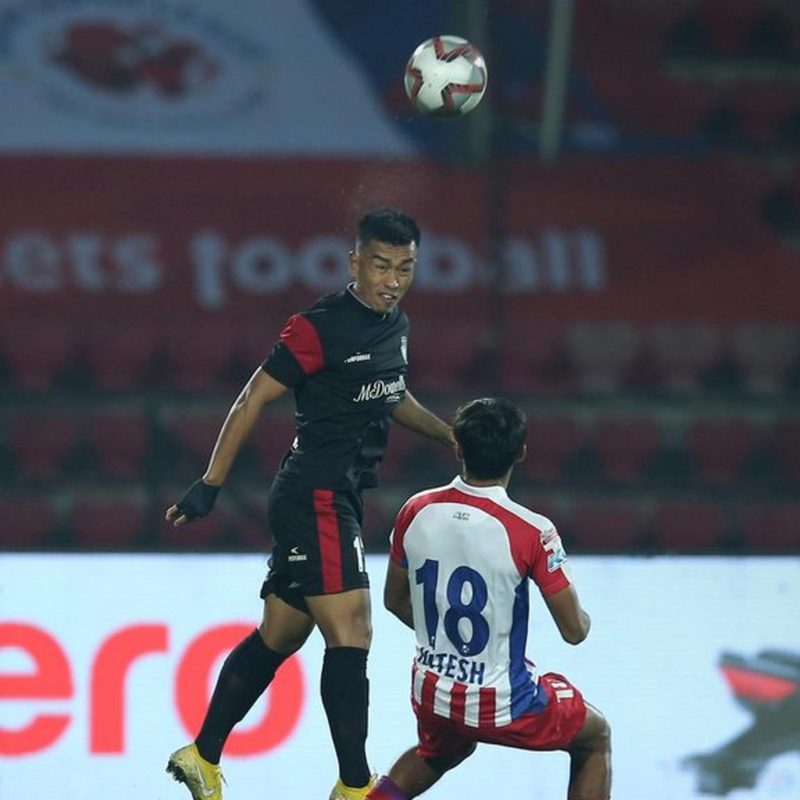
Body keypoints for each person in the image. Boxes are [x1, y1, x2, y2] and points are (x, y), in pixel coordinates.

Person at [164, 208, 455, 800]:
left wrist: (449, 435)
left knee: (281, 634)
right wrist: (211, 483)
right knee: (353, 629)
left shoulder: (395, 323)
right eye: (380, 266)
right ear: (355, 262)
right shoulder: (318, 327)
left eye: (404, 268)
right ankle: (354, 786)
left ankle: (202, 755)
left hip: (337, 494)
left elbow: (392, 394)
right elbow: (252, 398)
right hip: (315, 496)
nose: (392, 280)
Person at [367, 398, 612, 800]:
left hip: (431, 689)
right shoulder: (533, 531)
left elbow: (394, 600)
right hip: (501, 701)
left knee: (440, 750)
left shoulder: (415, 509)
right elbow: (574, 632)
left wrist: (449, 645)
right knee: (595, 736)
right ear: (521, 452)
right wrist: (585, 617)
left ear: (459, 449)